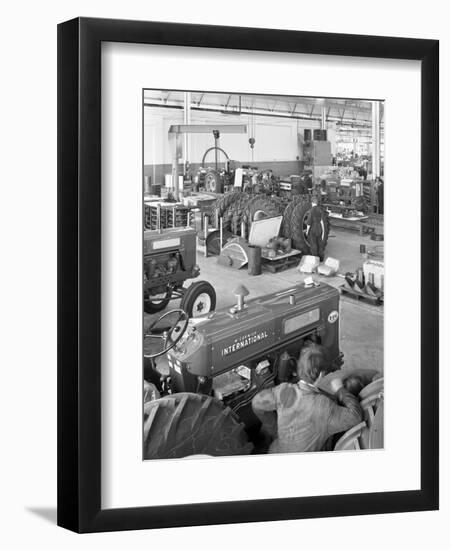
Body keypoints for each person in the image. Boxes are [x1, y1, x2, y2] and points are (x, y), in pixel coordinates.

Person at [251, 344, 364, 453]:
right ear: (321, 374)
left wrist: (274, 430)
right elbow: (355, 417)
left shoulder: (284, 390)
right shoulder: (323, 406)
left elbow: (256, 403)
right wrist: (341, 390)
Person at [306, 196, 326, 261]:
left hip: (313, 228)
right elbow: (322, 221)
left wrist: (307, 231)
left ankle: (315, 259)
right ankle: (321, 258)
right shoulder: (320, 209)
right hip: (319, 227)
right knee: (320, 243)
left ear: (312, 203)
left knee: (313, 244)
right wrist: (323, 230)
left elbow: (309, 222)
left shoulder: (311, 210)